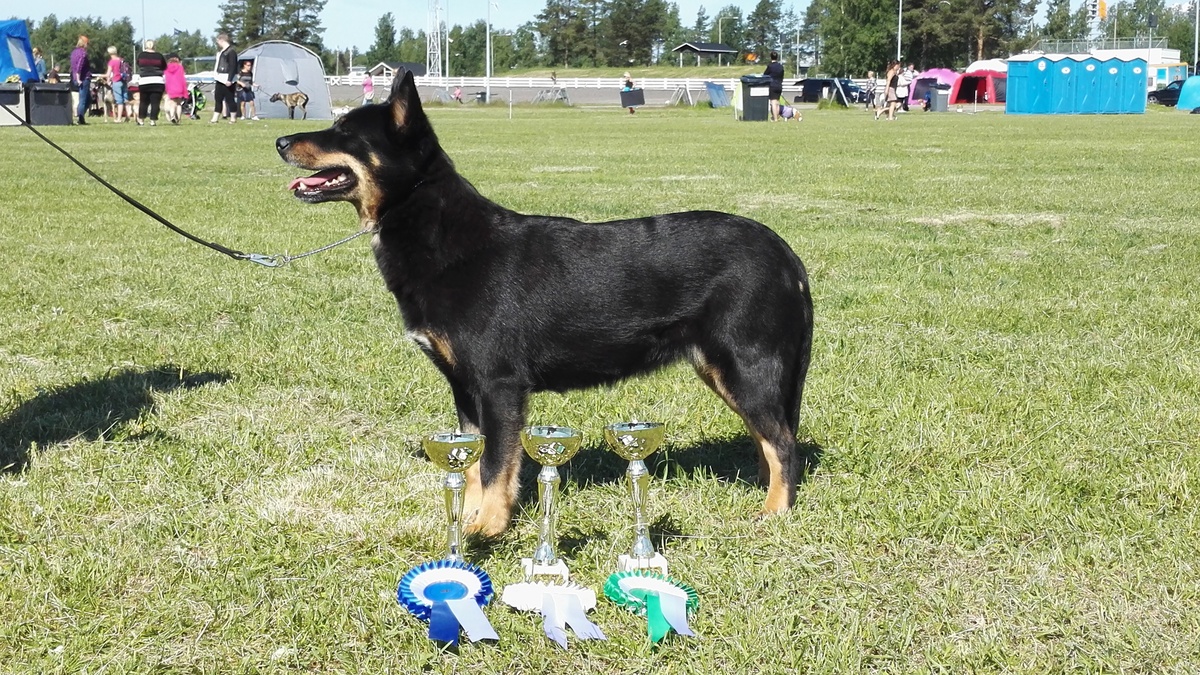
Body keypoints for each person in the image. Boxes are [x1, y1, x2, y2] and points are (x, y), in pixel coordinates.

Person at [134, 40, 167, 126]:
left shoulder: (141, 55)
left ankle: (141, 120)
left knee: (143, 102)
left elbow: (138, 64)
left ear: (146, 46)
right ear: (154, 46)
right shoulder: (159, 56)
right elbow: (164, 66)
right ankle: (153, 121)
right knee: (155, 102)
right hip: (157, 81)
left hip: (144, 81)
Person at [211, 33, 239, 124]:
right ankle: (215, 118)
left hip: (227, 79)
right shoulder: (221, 52)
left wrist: (230, 79)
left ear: (222, 40)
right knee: (218, 98)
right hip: (220, 78)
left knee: (230, 99)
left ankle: (233, 118)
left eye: (218, 41)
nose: (218, 43)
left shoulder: (231, 52)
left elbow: (233, 66)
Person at [69, 35, 92, 125]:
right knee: (83, 99)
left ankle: (80, 116)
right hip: (83, 78)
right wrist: (78, 78)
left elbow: (73, 66)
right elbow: (80, 66)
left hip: (74, 78)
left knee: (88, 99)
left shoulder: (74, 52)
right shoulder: (83, 53)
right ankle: (80, 118)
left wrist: (75, 77)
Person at [105, 46, 128, 123]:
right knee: (126, 99)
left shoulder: (112, 62)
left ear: (109, 53)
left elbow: (108, 74)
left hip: (116, 81)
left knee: (119, 101)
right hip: (124, 80)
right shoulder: (121, 60)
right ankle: (128, 117)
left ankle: (119, 118)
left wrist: (100, 76)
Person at [163, 53, 188, 124]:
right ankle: (179, 119)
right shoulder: (180, 67)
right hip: (179, 87)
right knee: (179, 103)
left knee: (173, 103)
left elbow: (165, 78)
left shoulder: (166, 68)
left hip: (171, 88)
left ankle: (172, 116)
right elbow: (182, 77)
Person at [763, 51, 785, 121]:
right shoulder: (781, 66)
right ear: (777, 57)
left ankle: (775, 119)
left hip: (772, 85)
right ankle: (776, 117)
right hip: (779, 85)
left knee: (773, 103)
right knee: (777, 102)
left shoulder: (770, 66)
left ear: (771, 57)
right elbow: (782, 76)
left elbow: (765, 75)